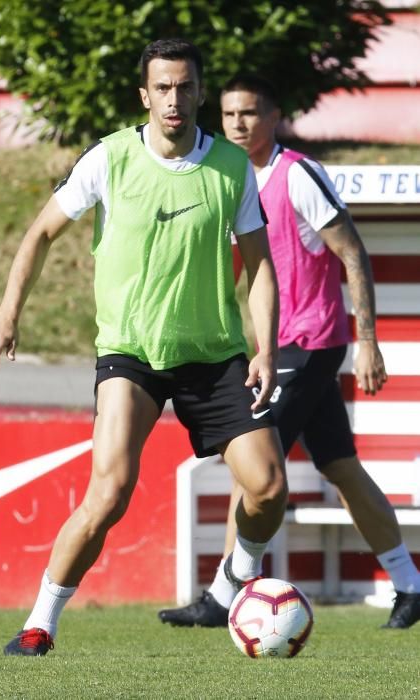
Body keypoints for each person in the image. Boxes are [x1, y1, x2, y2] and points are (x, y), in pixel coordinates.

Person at [0, 42, 288, 656]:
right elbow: (41, 231)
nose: (175, 99)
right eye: (163, 88)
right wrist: (7, 312)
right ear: (145, 96)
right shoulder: (110, 159)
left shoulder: (231, 168)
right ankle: (41, 621)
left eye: (186, 87)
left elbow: (260, 266)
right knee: (111, 491)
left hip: (215, 353)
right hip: (132, 352)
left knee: (269, 487)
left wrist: (266, 348)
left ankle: (233, 583)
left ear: (202, 93)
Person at [158, 74, 420, 630]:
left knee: (250, 461)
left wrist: (368, 341)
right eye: (228, 115)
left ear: (275, 117)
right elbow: (236, 271)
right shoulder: (228, 180)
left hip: (311, 343)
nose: (237, 124)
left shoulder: (295, 174)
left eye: (249, 113)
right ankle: (411, 584)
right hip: (281, 348)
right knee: (341, 467)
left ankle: (225, 595)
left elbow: (352, 252)